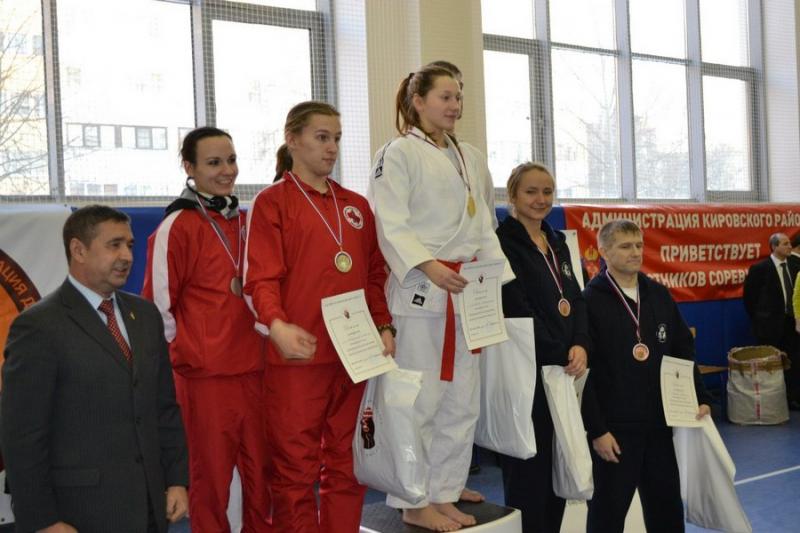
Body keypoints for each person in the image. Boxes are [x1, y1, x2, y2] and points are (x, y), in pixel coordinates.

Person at [368, 65, 512, 532]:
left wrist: (493, 279)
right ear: (419, 101)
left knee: (461, 401)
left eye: (458, 97)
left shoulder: (470, 155)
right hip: (421, 290)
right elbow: (389, 223)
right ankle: (412, 499)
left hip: (467, 289)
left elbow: (484, 223)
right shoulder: (397, 153)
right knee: (420, 400)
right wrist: (428, 266)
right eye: (445, 97)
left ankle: (443, 491)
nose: (454, 105)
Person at [243, 101, 394, 533]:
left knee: (348, 464)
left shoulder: (356, 206)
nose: (332, 148)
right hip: (300, 356)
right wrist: (277, 326)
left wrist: (384, 325)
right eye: (322, 137)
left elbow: (375, 275)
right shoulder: (272, 203)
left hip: (354, 355)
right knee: (294, 469)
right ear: (292, 140)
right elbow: (260, 279)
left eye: (337, 139)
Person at [1, 205, 189, 533]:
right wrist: (42, 520)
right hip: (77, 515)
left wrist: (176, 480)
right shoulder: (38, 326)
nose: (127, 256)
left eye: (129, 245)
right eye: (114, 245)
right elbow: (22, 435)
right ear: (79, 250)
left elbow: (163, 408)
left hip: (149, 510)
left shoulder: (146, 316)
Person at [142, 127, 270, 532]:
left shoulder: (246, 221)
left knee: (262, 477)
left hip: (256, 368)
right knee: (209, 482)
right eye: (214, 162)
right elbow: (157, 307)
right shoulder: (177, 226)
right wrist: (183, 359)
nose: (227, 170)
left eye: (231, 160)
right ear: (189, 167)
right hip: (206, 378)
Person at [581, 219, 711, 533]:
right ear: (604, 251)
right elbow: (585, 374)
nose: (635, 252)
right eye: (625, 246)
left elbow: (682, 348)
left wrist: (699, 396)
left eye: (639, 245)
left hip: (658, 425)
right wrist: (597, 430)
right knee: (607, 515)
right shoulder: (589, 300)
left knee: (666, 511)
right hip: (615, 430)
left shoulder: (658, 294)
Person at [495, 162, 589, 533]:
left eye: (547, 191)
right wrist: (558, 351)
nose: (541, 199)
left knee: (560, 469)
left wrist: (580, 343)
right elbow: (515, 307)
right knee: (529, 476)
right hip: (527, 373)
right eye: (531, 191)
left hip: (563, 371)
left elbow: (576, 299)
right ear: (512, 195)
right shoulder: (501, 243)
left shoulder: (558, 242)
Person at [743, 232, 800, 409]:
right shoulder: (760, 269)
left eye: (790, 243)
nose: (790, 247)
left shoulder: (794, 266)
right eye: (785, 244)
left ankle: (793, 397)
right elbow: (750, 298)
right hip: (769, 325)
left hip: (791, 322)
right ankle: (772, 400)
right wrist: (760, 319)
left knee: (794, 361)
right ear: (774, 247)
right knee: (770, 363)